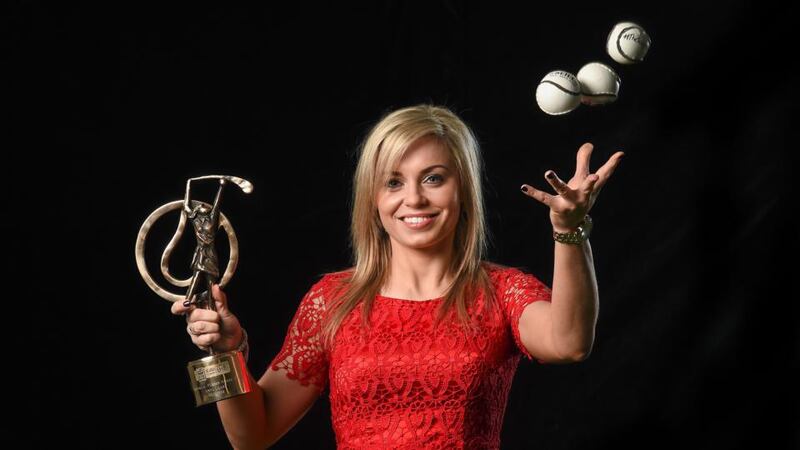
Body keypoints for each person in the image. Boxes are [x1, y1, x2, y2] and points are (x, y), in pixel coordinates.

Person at [171, 104, 624, 449]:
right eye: (392, 182)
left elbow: (570, 342)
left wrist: (569, 232)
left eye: (433, 179)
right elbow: (252, 437)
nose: (413, 199)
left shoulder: (502, 291)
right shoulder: (331, 300)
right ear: (373, 198)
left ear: (463, 189)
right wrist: (225, 356)